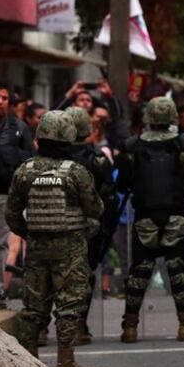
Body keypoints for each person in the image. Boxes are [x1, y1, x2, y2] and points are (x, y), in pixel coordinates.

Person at [6, 111, 102, 367]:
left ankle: (27, 365)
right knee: (69, 304)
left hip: (36, 248)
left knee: (33, 306)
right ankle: (66, 363)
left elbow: (12, 214)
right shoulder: (76, 173)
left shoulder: (24, 171)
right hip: (70, 247)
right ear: (70, 139)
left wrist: (31, 233)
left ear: (39, 139)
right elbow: (95, 208)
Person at [115, 97, 184, 344]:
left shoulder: (131, 145)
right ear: (172, 117)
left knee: (139, 272)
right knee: (178, 271)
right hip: (175, 216)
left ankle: (130, 328)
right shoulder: (183, 143)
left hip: (144, 217)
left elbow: (122, 184)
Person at [61, 107, 120, 345]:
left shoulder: (47, 160)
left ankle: (42, 330)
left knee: (48, 277)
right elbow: (110, 198)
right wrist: (107, 228)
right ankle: (77, 327)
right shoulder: (97, 159)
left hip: (53, 227)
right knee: (84, 276)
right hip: (89, 228)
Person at [0, 79, 33, 301]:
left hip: (5, 196)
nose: (1, 102)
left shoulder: (18, 128)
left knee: (0, 245)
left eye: (4, 98)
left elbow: (30, 160)